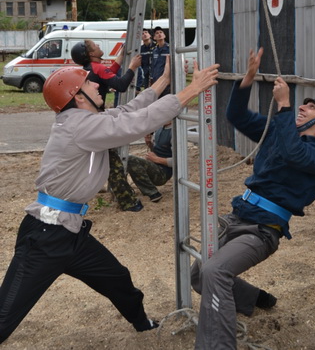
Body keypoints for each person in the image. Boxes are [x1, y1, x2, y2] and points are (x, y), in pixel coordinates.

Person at [0, 57, 220, 344]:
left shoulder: (85, 120)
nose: (97, 84)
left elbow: (129, 110)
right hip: (44, 236)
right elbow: (135, 123)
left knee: (118, 279)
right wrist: (192, 90)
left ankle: (142, 324)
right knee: (6, 315)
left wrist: (164, 80)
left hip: (69, 231)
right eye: (89, 83)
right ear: (77, 97)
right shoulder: (80, 127)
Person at [191, 47, 315, 350]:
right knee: (199, 276)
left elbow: (293, 153)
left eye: (311, 108)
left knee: (214, 271)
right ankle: (255, 299)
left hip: (263, 231)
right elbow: (235, 115)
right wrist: (247, 78)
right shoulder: (279, 129)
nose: (303, 107)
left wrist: (285, 106)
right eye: (303, 104)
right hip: (238, 216)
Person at [71, 39, 143, 212]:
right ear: (90, 54)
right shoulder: (97, 68)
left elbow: (108, 72)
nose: (99, 46)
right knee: (113, 164)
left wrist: (120, 57)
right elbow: (120, 85)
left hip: (86, 119)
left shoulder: (89, 70)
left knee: (102, 161)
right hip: (96, 121)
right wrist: (132, 67)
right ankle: (128, 202)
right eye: (95, 46)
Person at [127, 122, 172, 202]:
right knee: (127, 159)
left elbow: (178, 161)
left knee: (131, 159)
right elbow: (157, 151)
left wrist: (156, 159)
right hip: (155, 167)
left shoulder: (174, 133)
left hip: (163, 173)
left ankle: (153, 193)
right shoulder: (159, 129)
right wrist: (149, 143)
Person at [150, 26, 170, 97]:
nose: (159, 34)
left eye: (161, 32)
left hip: (166, 83)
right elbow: (153, 66)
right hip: (157, 81)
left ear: (164, 35)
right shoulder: (154, 50)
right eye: (157, 33)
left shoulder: (169, 49)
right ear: (154, 38)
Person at [136, 28, 156, 93]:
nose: (144, 34)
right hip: (146, 75)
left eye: (146, 32)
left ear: (150, 35)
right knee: (147, 91)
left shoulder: (156, 46)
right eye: (142, 33)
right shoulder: (141, 49)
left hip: (156, 73)